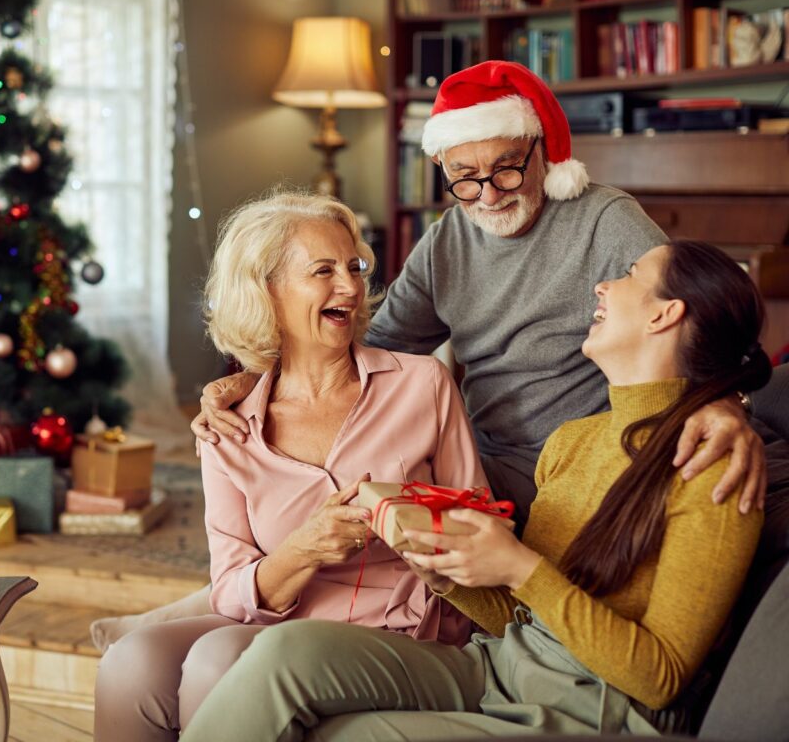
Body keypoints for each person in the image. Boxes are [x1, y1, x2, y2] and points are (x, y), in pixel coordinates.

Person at [178, 239, 771, 741]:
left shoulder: (715, 465)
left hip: (596, 708)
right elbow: (518, 615)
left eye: (630, 276)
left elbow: (661, 677)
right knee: (285, 656)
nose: (603, 287)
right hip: (503, 665)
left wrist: (519, 566)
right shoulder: (575, 441)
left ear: (664, 315)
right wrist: (437, 563)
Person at [193, 60, 780, 531]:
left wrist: (722, 405)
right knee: (317, 503)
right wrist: (258, 381)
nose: (488, 196)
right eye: (464, 178)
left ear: (541, 151)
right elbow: (375, 343)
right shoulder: (447, 239)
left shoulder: (605, 218)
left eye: (505, 170)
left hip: (579, 459)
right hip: (476, 456)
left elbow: (695, 305)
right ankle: (238, 597)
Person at [94, 191, 488, 741]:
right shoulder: (231, 426)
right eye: (322, 271)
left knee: (217, 658)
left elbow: (480, 526)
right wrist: (305, 549)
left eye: (354, 267)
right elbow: (230, 586)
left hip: (397, 629)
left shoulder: (423, 385)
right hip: (277, 618)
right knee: (129, 663)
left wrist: (425, 539)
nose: (350, 287)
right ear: (266, 292)